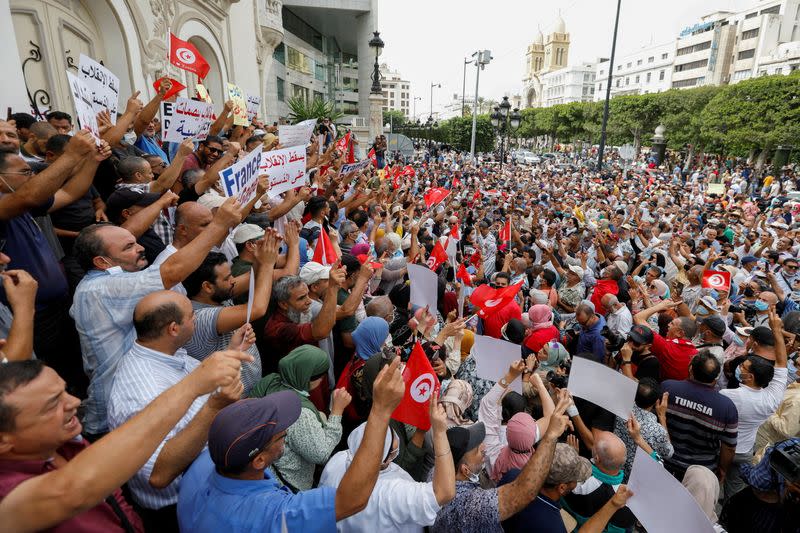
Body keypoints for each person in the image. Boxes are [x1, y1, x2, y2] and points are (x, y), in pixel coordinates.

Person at [0, 349, 243, 532]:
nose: (74, 402)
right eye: (53, 403)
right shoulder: (7, 493)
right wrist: (193, 385)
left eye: (65, 391)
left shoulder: (65, 444)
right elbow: (72, 490)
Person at [70, 197, 244, 440]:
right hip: (112, 423)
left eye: (135, 242)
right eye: (128, 247)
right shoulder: (100, 289)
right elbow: (172, 272)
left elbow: (126, 232)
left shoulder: (102, 280)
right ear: (101, 262)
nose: (140, 247)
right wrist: (218, 225)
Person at [177, 356, 406, 532]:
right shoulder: (270, 513)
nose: (286, 430)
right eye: (280, 435)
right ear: (259, 460)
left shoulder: (203, 464)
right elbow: (351, 500)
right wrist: (381, 409)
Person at [107, 291, 251, 530]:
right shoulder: (143, 390)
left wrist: (231, 352)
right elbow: (159, 474)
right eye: (192, 316)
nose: (197, 319)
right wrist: (214, 407)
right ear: (173, 329)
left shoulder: (167, 355)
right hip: (181, 509)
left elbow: (199, 385)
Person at [431, 390, 570, 533]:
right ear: (465, 470)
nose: (484, 447)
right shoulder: (471, 505)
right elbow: (523, 492)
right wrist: (551, 436)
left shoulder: (436, 474)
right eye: (477, 450)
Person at [318, 398, 456, 532]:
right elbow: (444, 493)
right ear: (386, 459)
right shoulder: (390, 492)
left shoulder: (339, 459)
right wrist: (439, 432)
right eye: (393, 447)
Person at [249, 345, 348, 491]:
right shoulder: (299, 412)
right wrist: (337, 412)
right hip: (288, 486)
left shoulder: (270, 380)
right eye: (321, 376)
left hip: (260, 473)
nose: (322, 380)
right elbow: (321, 454)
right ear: (308, 378)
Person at [719, 309, 789, 500]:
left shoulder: (728, 395)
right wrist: (777, 332)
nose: (741, 366)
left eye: (743, 367)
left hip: (723, 447)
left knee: (716, 478)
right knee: (735, 491)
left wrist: (775, 331)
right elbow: (782, 363)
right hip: (745, 451)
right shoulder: (772, 398)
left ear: (750, 377)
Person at [661, 349, 739, 481]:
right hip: (701, 473)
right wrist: (723, 469)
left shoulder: (667, 388)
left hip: (664, 461)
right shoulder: (727, 407)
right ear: (716, 378)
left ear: (690, 369)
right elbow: (729, 447)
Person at [260, 267, 345, 373]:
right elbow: (321, 331)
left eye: (307, 295)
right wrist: (332, 288)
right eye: (301, 298)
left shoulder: (295, 313)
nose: (309, 301)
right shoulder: (278, 328)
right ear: (283, 304)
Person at [562, 431, 636, 531]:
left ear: (597, 459)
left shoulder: (575, 482)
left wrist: (573, 460)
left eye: (594, 443)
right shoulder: (627, 503)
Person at [612, 378, 673, 479]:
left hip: (614, 469)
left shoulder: (620, 409)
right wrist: (662, 417)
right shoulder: (657, 430)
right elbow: (669, 453)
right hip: (636, 478)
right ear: (656, 402)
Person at [634, 300, 698, 381]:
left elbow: (638, 317)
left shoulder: (666, 347)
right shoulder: (696, 353)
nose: (668, 325)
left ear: (679, 333)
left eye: (672, 324)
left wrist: (660, 306)